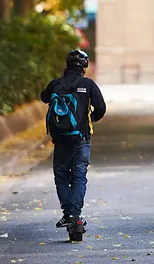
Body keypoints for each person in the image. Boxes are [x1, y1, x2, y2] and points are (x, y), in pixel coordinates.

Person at [41, 49, 106, 229]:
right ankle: (75, 216)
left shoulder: (56, 84)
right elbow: (101, 108)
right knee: (79, 176)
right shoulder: (88, 84)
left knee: (61, 176)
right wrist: (89, 118)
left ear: (67, 65)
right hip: (82, 137)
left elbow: (43, 97)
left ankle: (67, 213)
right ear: (84, 67)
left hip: (61, 139)